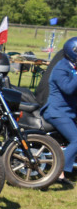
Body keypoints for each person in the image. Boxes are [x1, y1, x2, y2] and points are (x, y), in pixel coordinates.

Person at [42, 37, 77, 180]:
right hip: (57, 112)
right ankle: (59, 170)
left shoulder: (72, 66)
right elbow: (68, 89)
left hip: (68, 111)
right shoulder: (61, 68)